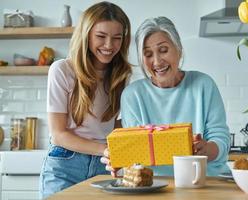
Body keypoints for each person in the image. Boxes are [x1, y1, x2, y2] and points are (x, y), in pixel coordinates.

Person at [102, 16, 230, 177]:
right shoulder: (133, 95)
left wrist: (205, 149)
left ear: (179, 49)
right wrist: (119, 159)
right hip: (155, 184)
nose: (157, 61)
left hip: (206, 180)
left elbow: (221, 140)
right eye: (148, 54)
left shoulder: (203, 84)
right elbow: (135, 150)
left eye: (163, 50)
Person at [39, 1, 131, 198]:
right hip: (65, 165)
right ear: (86, 35)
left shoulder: (121, 76)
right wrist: (106, 150)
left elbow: (117, 128)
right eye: (101, 36)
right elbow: (58, 134)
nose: (109, 45)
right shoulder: (62, 70)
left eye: (117, 38)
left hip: (104, 166)